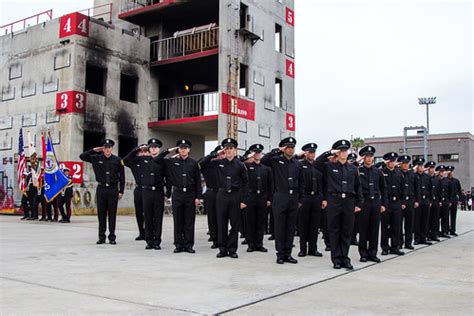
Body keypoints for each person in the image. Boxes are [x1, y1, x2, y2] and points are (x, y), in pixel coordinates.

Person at [200, 138, 248, 258]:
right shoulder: (218, 163)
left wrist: (243, 200)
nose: (229, 151)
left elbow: (246, 183)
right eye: (226, 148)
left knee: (234, 224)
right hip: (222, 195)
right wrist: (215, 154)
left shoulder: (240, 165)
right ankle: (222, 249)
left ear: (235, 150)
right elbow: (202, 163)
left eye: (231, 148)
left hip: (235, 195)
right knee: (221, 223)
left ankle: (232, 249)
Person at [262, 137, 303, 264]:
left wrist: (300, 198)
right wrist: (277, 150)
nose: (290, 150)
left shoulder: (297, 163)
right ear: (283, 148)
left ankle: (288, 254)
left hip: (293, 197)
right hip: (280, 196)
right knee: (280, 227)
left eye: (292, 147)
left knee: (290, 227)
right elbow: (264, 160)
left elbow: (301, 182)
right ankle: (280, 254)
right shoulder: (276, 160)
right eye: (288, 147)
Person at [79, 139, 125, 245]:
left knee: (112, 214)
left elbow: (122, 176)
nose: (107, 149)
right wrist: (94, 150)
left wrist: (121, 191)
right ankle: (101, 237)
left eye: (109, 147)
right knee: (101, 214)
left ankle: (112, 237)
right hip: (101, 189)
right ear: (102, 149)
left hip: (113, 189)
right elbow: (82, 156)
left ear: (112, 148)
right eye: (105, 147)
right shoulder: (96, 158)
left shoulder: (118, 160)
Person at [161, 139, 202, 253]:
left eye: (185, 148)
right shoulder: (172, 162)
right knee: (178, 220)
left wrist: (198, 197)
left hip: (190, 193)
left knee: (189, 220)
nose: (183, 150)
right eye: (181, 148)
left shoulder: (194, 163)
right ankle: (178, 244)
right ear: (178, 149)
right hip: (177, 193)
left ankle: (189, 245)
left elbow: (198, 181)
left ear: (189, 149)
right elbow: (158, 159)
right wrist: (169, 151)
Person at [241, 144, 273, 253]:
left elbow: (270, 185)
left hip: (262, 197)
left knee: (261, 222)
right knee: (250, 222)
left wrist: (269, 198)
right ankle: (251, 244)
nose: (257, 154)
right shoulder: (246, 166)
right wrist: (247, 158)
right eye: (255, 152)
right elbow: (238, 163)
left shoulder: (266, 169)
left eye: (259, 152)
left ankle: (259, 244)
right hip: (251, 197)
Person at [357, 145, 386, 263]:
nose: (369, 159)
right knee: (363, 229)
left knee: (374, 229)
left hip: (375, 202)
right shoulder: (358, 171)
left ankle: (373, 253)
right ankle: (363, 254)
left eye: (371, 156)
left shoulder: (378, 172)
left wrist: (383, 204)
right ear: (363, 158)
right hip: (364, 202)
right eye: (367, 157)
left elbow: (383, 188)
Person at [296, 143, 323, 257]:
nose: (312, 154)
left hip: (316, 197)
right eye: (309, 152)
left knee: (314, 225)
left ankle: (313, 249)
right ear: (305, 153)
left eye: (313, 152)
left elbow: (323, 183)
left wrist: (322, 198)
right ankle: (303, 249)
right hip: (305, 197)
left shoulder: (318, 165)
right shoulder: (300, 164)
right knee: (303, 224)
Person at [380, 152, 405, 256]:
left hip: (396, 202)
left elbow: (403, 188)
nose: (392, 163)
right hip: (386, 202)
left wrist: (402, 202)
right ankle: (385, 247)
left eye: (393, 161)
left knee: (396, 226)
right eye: (390, 161)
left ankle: (395, 247)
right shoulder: (381, 172)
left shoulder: (399, 173)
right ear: (386, 162)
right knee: (385, 226)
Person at [199, 145, 223, 249]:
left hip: (223, 193)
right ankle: (215, 239)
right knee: (212, 217)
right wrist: (212, 156)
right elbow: (200, 163)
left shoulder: (226, 163)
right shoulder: (208, 164)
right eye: (219, 153)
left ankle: (222, 238)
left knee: (222, 217)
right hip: (211, 193)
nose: (221, 155)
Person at [123, 144, 147, 241]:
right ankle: (142, 232)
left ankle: (149, 232)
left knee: (149, 212)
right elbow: (123, 161)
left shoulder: (152, 162)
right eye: (141, 152)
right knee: (139, 212)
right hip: (138, 189)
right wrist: (136, 149)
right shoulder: (134, 163)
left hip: (148, 189)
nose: (143, 154)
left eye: (145, 151)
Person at [398, 155, 419, 250]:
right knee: (398, 223)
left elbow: (416, 188)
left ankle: (408, 242)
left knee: (409, 223)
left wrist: (417, 200)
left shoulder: (413, 175)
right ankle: (399, 242)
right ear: (400, 164)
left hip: (410, 200)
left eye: (407, 163)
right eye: (404, 163)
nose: (405, 165)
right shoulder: (397, 173)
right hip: (400, 200)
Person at [413, 158, 432, 245]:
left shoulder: (427, 177)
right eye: (419, 165)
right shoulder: (413, 176)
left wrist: (430, 200)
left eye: (421, 165)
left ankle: (423, 237)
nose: (421, 167)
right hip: (418, 201)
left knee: (425, 220)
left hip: (426, 200)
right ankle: (417, 238)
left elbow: (430, 189)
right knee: (417, 220)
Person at [425, 161, 441, 242]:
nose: (432, 169)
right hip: (428, 200)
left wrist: (440, 200)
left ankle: (434, 235)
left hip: (436, 200)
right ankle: (427, 235)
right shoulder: (426, 177)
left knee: (435, 218)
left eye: (433, 168)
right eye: (430, 168)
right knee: (428, 219)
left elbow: (439, 190)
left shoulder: (437, 179)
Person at [447, 166, 461, 236]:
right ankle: (446, 230)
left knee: (453, 216)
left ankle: (453, 230)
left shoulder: (456, 181)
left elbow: (459, 190)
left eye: (451, 171)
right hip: (447, 200)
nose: (451, 173)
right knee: (446, 216)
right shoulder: (445, 180)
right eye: (449, 171)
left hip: (454, 199)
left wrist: (460, 200)